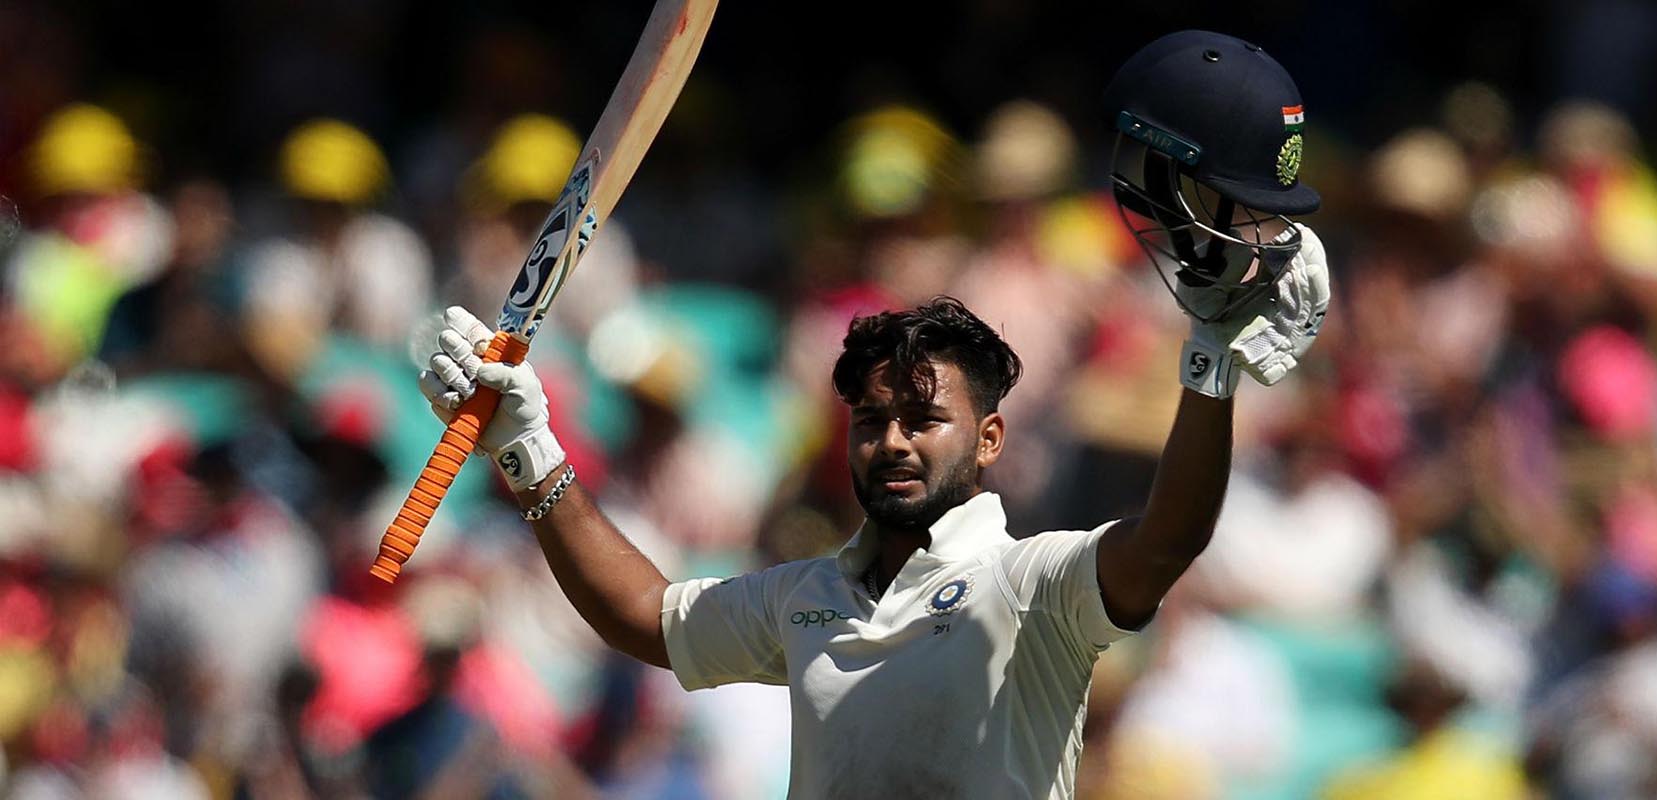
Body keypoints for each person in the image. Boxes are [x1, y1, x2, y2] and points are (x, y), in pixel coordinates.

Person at [416, 29, 1331, 799]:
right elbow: (645, 618)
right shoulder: (806, 597)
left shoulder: (1032, 585)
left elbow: (1166, 539)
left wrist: (1210, 369)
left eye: (923, 420)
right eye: (870, 420)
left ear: (990, 438)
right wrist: (528, 447)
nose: (891, 440)